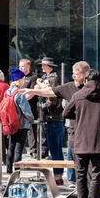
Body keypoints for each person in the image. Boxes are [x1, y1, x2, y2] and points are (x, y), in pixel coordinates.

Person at [22, 61, 91, 187]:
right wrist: (32, 90)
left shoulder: (93, 89)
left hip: (88, 131)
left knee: (85, 163)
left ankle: (87, 191)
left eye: (77, 74)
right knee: (73, 157)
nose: (74, 76)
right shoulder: (69, 87)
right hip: (74, 130)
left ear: (85, 74)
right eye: (73, 74)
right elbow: (50, 92)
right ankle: (79, 190)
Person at [63, 69, 100, 198]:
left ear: (86, 80)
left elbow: (65, 113)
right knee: (96, 175)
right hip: (99, 140)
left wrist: (79, 115)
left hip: (80, 140)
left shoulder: (78, 95)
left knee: (80, 174)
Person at [37, 57, 65, 185]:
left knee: (55, 149)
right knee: (57, 149)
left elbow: (52, 98)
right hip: (55, 119)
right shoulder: (49, 77)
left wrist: (43, 106)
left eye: (43, 65)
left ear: (47, 66)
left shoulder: (53, 78)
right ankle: (58, 176)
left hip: (53, 118)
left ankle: (57, 176)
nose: (42, 67)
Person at [5, 69, 34, 173]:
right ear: (19, 80)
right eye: (23, 79)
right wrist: (32, 120)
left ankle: (9, 172)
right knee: (18, 150)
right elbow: (26, 110)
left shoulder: (7, 92)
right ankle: (17, 174)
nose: (24, 80)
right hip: (21, 125)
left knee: (10, 148)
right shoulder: (19, 94)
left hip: (10, 124)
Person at [18, 59, 41, 159]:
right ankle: (21, 147)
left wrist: (21, 100)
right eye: (20, 66)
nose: (21, 68)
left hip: (30, 107)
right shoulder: (18, 78)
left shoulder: (33, 77)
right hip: (19, 107)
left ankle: (33, 150)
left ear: (28, 66)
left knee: (32, 129)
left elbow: (32, 92)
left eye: (22, 66)